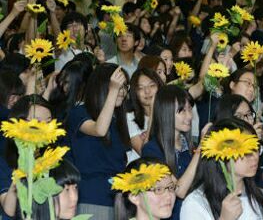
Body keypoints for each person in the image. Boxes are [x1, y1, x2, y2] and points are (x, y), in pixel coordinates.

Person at [64, 64, 130, 219]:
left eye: (124, 87)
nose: (121, 91)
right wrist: (113, 91)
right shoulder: (79, 112)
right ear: (102, 86)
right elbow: (99, 130)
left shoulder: (117, 121)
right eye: (116, 86)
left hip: (118, 200)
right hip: (92, 198)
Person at [180, 118, 263, 220]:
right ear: (222, 154)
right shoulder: (196, 203)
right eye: (246, 151)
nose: (255, 156)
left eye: (256, 148)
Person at [141, 85, 200, 220]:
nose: (189, 116)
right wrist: (200, 152)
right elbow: (178, 190)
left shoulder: (191, 149)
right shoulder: (152, 150)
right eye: (182, 111)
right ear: (165, 112)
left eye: (190, 109)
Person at [212, 94, 263, 198]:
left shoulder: (258, 150)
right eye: (238, 117)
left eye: (248, 115)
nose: (246, 121)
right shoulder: (217, 153)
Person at [127, 68, 163, 162]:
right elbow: (144, 153)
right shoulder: (130, 117)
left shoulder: (169, 112)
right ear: (135, 93)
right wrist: (152, 114)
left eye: (152, 85)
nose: (147, 91)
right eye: (140, 88)